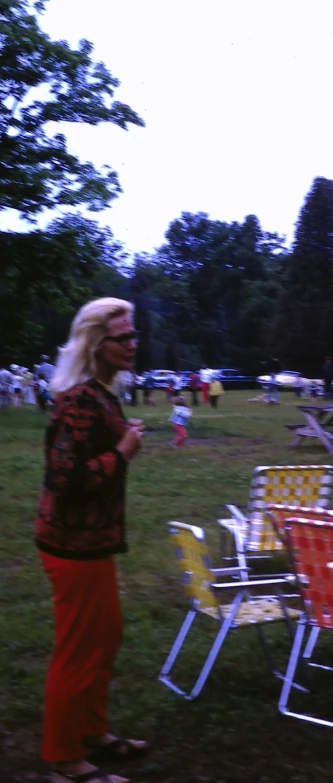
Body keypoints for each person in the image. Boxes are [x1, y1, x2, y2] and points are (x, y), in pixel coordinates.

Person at [34, 297, 148, 783]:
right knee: (80, 649)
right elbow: (64, 477)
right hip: (72, 547)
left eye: (132, 335)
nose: (132, 345)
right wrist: (123, 450)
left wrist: (122, 438)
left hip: (92, 543)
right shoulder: (80, 398)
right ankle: (63, 758)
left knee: (105, 637)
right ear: (96, 345)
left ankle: (92, 733)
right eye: (122, 338)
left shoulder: (103, 394)